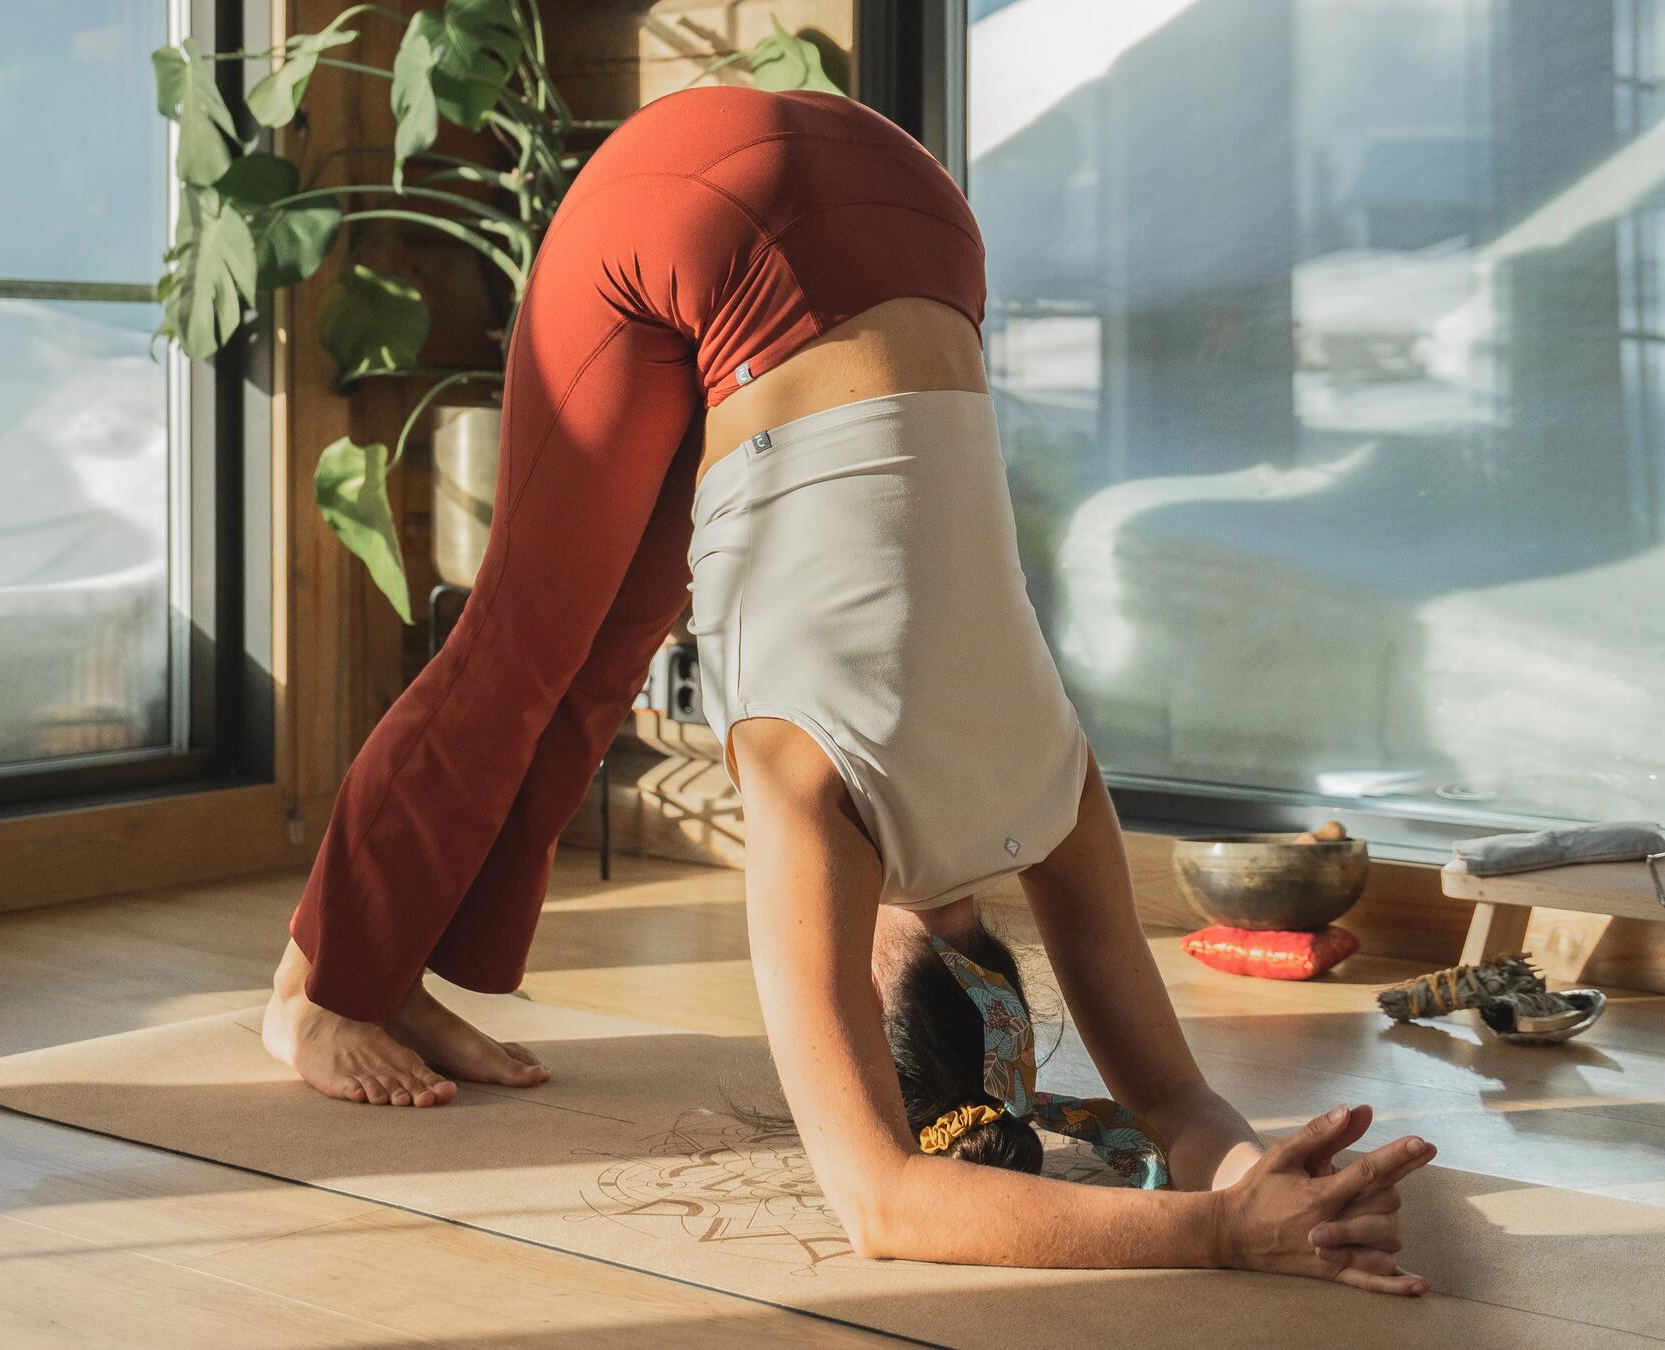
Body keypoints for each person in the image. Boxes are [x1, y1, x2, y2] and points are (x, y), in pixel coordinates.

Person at [262, 82, 1436, 1294]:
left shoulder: (1053, 789)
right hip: (699, 203)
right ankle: (319, 991)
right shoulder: (823, 803)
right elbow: (883, 1201)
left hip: (918, 214)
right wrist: (1223, 1225)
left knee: (600, 641)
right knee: (521, 641)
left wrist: (1267, 1179)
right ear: (870, 1005)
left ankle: (390, 970)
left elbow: (1182, 1102)